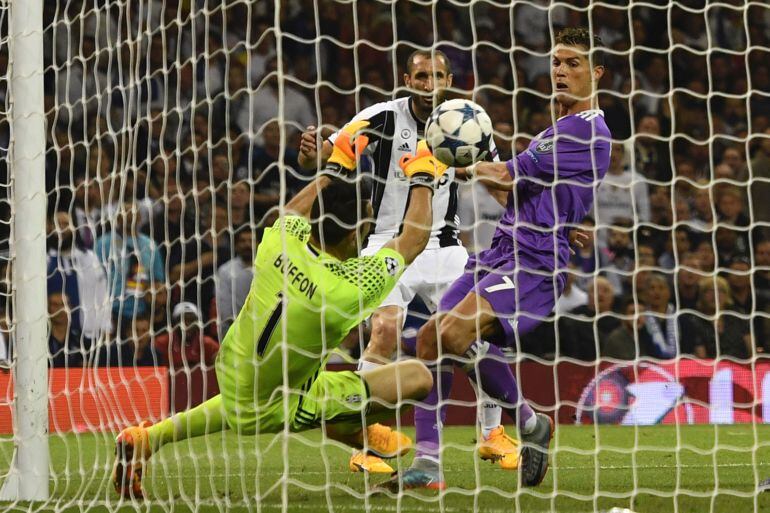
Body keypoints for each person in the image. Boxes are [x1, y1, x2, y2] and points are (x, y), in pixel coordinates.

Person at [112, 121, 442, 499]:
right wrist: (423, 173)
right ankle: (350, 426)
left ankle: (145, 438)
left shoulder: (281, 241)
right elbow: (414, 240)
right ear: (355, 233)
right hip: (281, 402)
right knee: (418, 378)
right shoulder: (348, 288)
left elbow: (288, 211)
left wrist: (332, 170)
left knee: (254, 392)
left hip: (235, 366)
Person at [380, 27, 611, 491]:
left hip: (534, 263)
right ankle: (432, 463)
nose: (560, 72)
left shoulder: (587, 132)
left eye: (573, 63)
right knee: (429, 339)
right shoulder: (555, 129)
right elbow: (513, 189)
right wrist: (563, 215)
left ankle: (527, 421)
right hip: (501, 251)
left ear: (595, 72)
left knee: (450, 332)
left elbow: (506, 171)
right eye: (557, 63)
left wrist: (445, 161)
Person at [298, 49, 515, 471]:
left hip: (444, 245)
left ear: (449, 79)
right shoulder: (380, 117)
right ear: (406, 78)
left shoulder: (466, 122)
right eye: (419, 76)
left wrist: (536, 221)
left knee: (476, 333)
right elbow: (325, 155)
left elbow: (496, 180)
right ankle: (366, 440)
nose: (428, 82)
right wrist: (309, 153)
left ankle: (492, 434)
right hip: (386, 243)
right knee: (384, 329)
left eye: (436, 75)